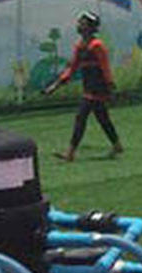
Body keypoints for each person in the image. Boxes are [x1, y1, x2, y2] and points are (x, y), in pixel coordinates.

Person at [44, 11, 123, 161]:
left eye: (83, 23)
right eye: (79, 22)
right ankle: (117, 145)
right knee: (102, 118)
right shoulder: (79, 46)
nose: (79, 25)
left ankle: (70, 153)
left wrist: (110, 87)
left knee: (81, 117)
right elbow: (71, 69)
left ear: (91, 27)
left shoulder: (97, 46)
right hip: (88, 87)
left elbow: (105, 68)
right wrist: (55, 86)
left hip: (98, 87)